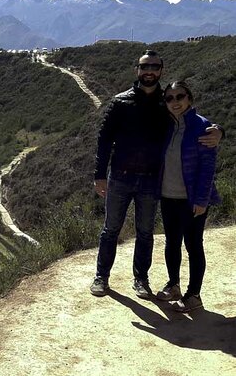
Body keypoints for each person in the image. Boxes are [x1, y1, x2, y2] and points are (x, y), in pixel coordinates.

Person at [90, 50, 222, 298]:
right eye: (144, 66)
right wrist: (99, 175)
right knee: (110, 229)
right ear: (137, 71)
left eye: (154, 66)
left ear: (161, 70)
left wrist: (220, 131)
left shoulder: (167, 103)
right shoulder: (120, 102)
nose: (149, 71)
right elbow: (104, 139)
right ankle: (102, 277)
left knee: (145, 232)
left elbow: (194, 123)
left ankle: (141, 280)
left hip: (151, 180)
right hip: (120, 176)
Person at [155, 81, 220, 312]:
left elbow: (207, 169)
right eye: (170, 98)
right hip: (167, 196)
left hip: (191, 199)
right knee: (171, 243)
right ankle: (174, 285)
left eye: (179, 96)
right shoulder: (167, 127)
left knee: (193, 245)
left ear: (189, 99)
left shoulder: (202, 127)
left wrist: (202, 200)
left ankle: (194, 294)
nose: (175, 102)